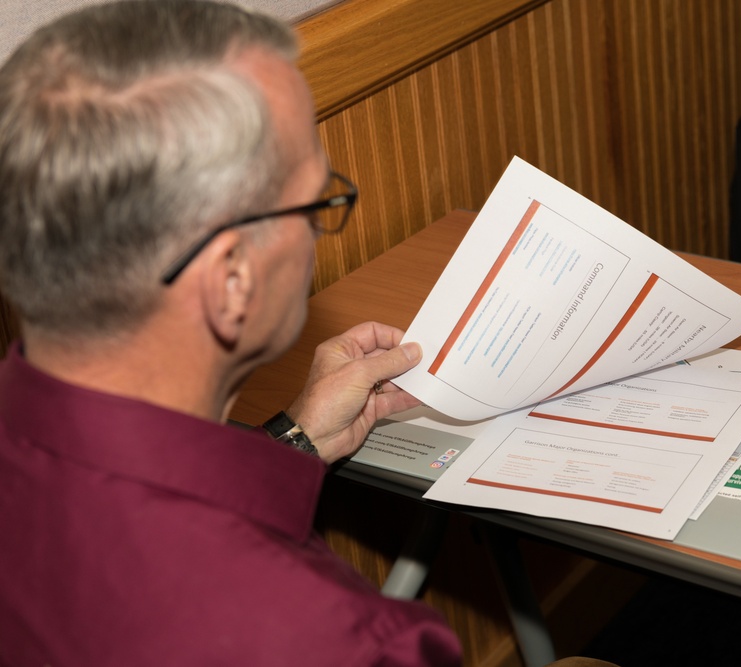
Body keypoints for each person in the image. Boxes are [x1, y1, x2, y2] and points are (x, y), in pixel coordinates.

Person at [0, 1, 462, 664]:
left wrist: (293, 441)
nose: (318, 230)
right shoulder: (348, 642)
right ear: (232, 282)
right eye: (319, 201)